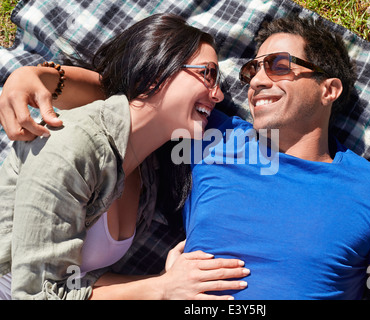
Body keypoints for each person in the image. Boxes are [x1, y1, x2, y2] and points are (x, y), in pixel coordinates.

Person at [0, 16, 370, 299]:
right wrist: (35, 76)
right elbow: (132, 94)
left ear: (328, 89)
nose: (256, 81)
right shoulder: (209, 135)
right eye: (251, 70)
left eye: (278, 65)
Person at [0, 13, 250, 300]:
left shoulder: (146, 174)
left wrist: (169, 282)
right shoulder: (71, 147)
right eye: (207, 73)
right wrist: (161, 289)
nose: (217, 94)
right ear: (157, 69)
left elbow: (76, 281)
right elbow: (35, 295)